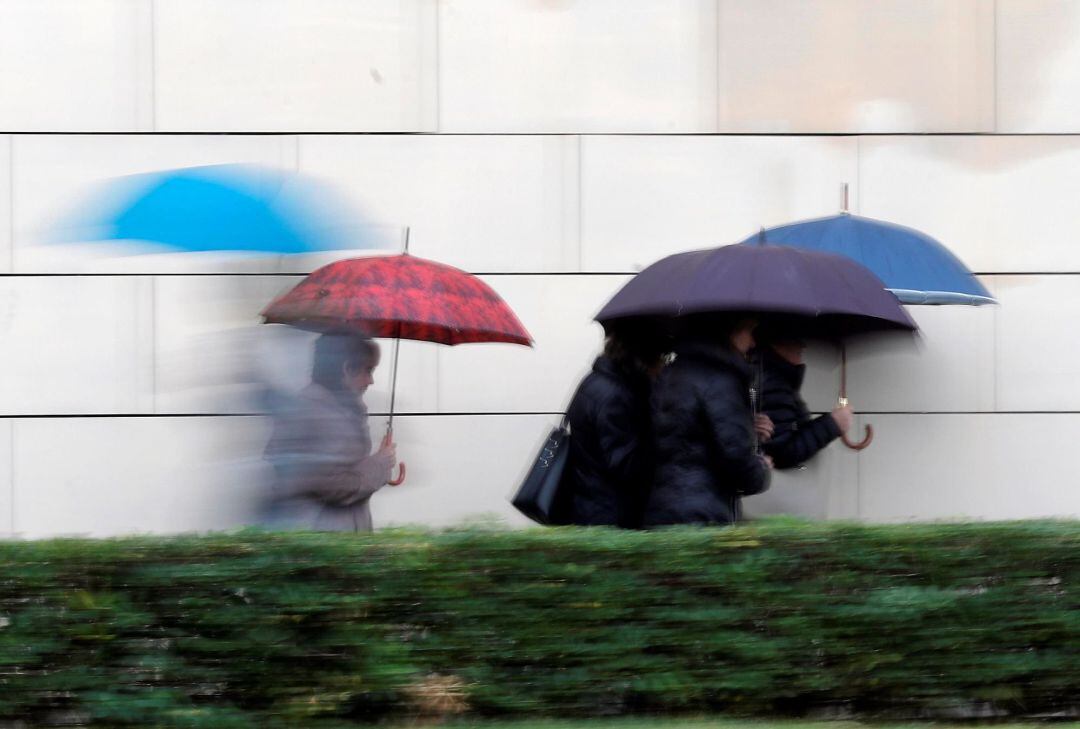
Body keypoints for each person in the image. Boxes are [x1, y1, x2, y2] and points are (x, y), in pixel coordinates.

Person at [644, 315, 772, 527]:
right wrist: (761, 469)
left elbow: (689, 434)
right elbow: (737, 460)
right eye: (749, 331)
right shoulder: (721, 380)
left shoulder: (672, 372)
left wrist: (747, 424)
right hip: (703, 516)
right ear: (729, 332)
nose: (753, 342)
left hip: (663, 510)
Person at [262, 333, 399, 532]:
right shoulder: (315, 412)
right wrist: (380, 464)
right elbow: (335, 487)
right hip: (324, 539)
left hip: (332, 536)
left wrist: (380, 469)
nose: (371, 381)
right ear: (346, 369)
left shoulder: (334, 407)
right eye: (367, 370)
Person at [564, 326, 668, 529]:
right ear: (644, 357)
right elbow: (627, 465)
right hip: (613, 518)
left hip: (592, 508)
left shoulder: (595, 382)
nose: (663, 366)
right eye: (661, 357)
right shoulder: (616, 396)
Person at [753, 322, 853, 470]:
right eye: (794, 340)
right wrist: (833, 424)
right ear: (776, 344)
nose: (802, 347)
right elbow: (781, 453)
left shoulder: (776, 378)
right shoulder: (772, 382)